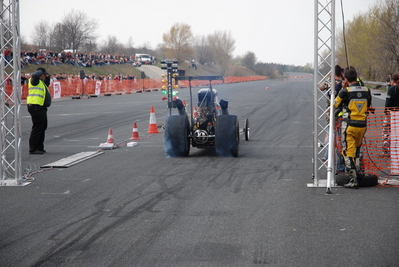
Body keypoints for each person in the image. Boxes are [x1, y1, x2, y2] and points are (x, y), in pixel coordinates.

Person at [333, 68, 372, 188]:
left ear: (345, 79)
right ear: (357, 77)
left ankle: (353, 179)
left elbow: (335, 104)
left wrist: (342, 88)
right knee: (357, 150)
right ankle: (359, 172)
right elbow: (369, 104)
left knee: (347, 152)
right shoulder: (366, 90)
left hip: (349, 125)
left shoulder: (345, 91)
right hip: (362, 125)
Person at [27, 67, 51, 154]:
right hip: (35, 106)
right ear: (40, 74)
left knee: (42, 127)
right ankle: (33, 148)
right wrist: (40, 71)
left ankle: (40, 147)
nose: (44, 76)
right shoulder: (34, 80)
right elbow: (35, 74)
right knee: (37, 128)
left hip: (41, 107)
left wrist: (48, 76)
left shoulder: (41, 82)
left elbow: (47, 83)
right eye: (43, 75)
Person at [382, 73, 399, 155]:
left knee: (387, 131)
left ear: (392, 80)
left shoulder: (392, 89)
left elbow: (388, 102)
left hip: (392, 113)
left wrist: (386, 112)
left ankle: (386, 149)